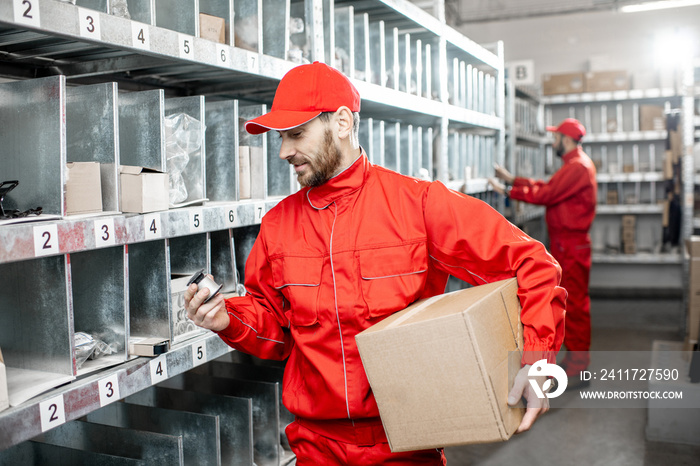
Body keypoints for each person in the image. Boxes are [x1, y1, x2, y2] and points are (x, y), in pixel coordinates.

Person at [186, 61, 566, 465]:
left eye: (296, 135)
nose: (284, 152)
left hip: (404, 441)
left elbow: (531, 263)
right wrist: (227, 318)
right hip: (316, 445)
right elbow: (277, 332)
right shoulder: (278, 226)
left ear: (343, 122)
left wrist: (536, 360)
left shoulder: (419, 205)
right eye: (281, 138)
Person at [489, 118, 597, 387]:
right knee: (571, 304)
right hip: (567, 244)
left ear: (566, 139)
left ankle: (578, 367)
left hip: (571, 245)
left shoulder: (577, 167)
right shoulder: (574, 165)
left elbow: (547, 194)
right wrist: (514, 180)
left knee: (575, 307)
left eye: (556, 137)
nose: (553, 142)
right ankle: (575, 362)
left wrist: (509, 191)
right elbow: (547, 187)